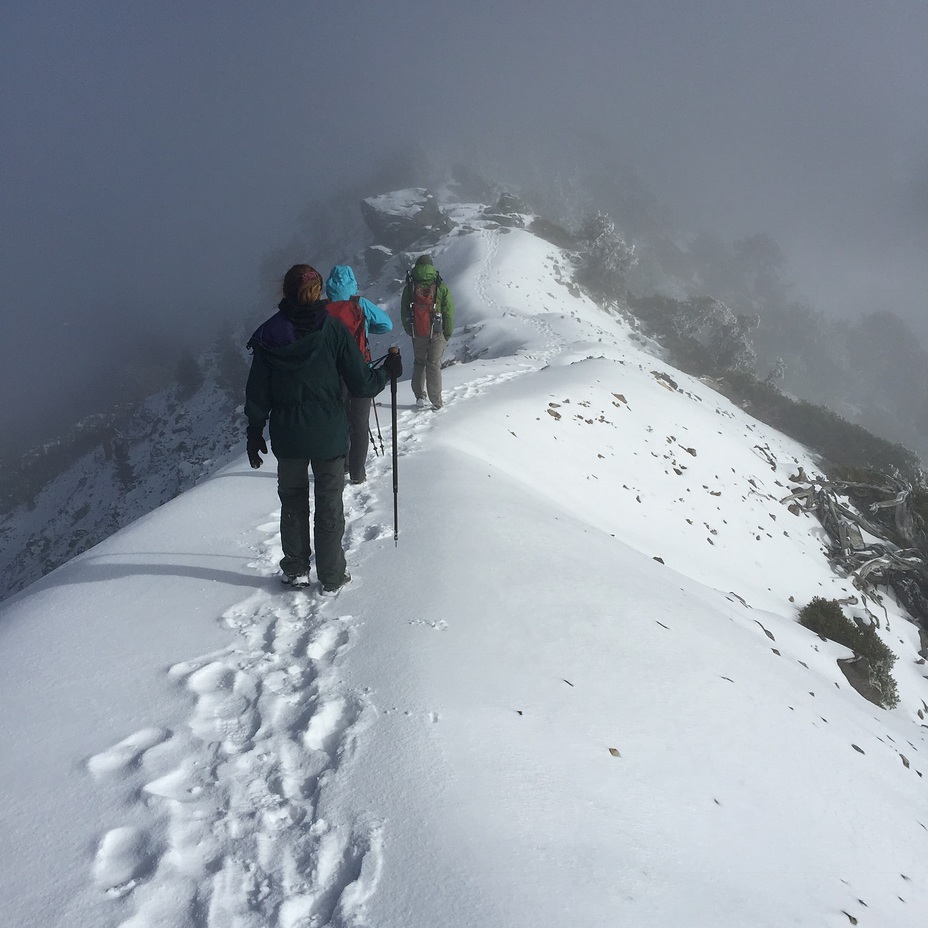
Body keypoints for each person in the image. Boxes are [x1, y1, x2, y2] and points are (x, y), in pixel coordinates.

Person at [244, 264, 402, 592]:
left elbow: (258, 391)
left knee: (292, 500)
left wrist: (255, 431)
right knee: (329, 501)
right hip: (329, 433)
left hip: (288, 435)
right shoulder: (333, 331)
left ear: (285, 291)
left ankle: (296, 569)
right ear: (319, 292)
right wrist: (388, 371)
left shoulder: (267, 335)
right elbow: (361, 384)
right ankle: (331, 575)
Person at [325, 264, 393, 485]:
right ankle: (357, 474)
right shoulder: (360, 304)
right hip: (360, 370)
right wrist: (364, 326)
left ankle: (341, 466)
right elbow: (387, 324)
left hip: (331, 374)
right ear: (353, 284)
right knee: (359, 424)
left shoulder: (322, 309)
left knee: (339, 422)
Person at [400, 254, 454, 409]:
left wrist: (410, 330)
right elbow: (448, 312)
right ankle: (436, 401)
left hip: (418, 332)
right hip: (437, 332)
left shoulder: (410, 287)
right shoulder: (440, 286)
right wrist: (447, 333)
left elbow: (404, 312)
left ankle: (419, 396)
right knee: (433, 364)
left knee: (419, 362)